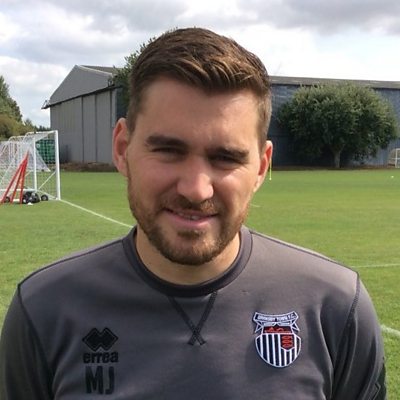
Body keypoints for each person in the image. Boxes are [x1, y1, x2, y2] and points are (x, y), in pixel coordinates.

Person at [0, 27, 386, 399]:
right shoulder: (45, 310)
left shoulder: (335, 306)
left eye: (226, 157)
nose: (196, 189)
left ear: (261, 167)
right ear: (122, 149)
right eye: (168, 150)